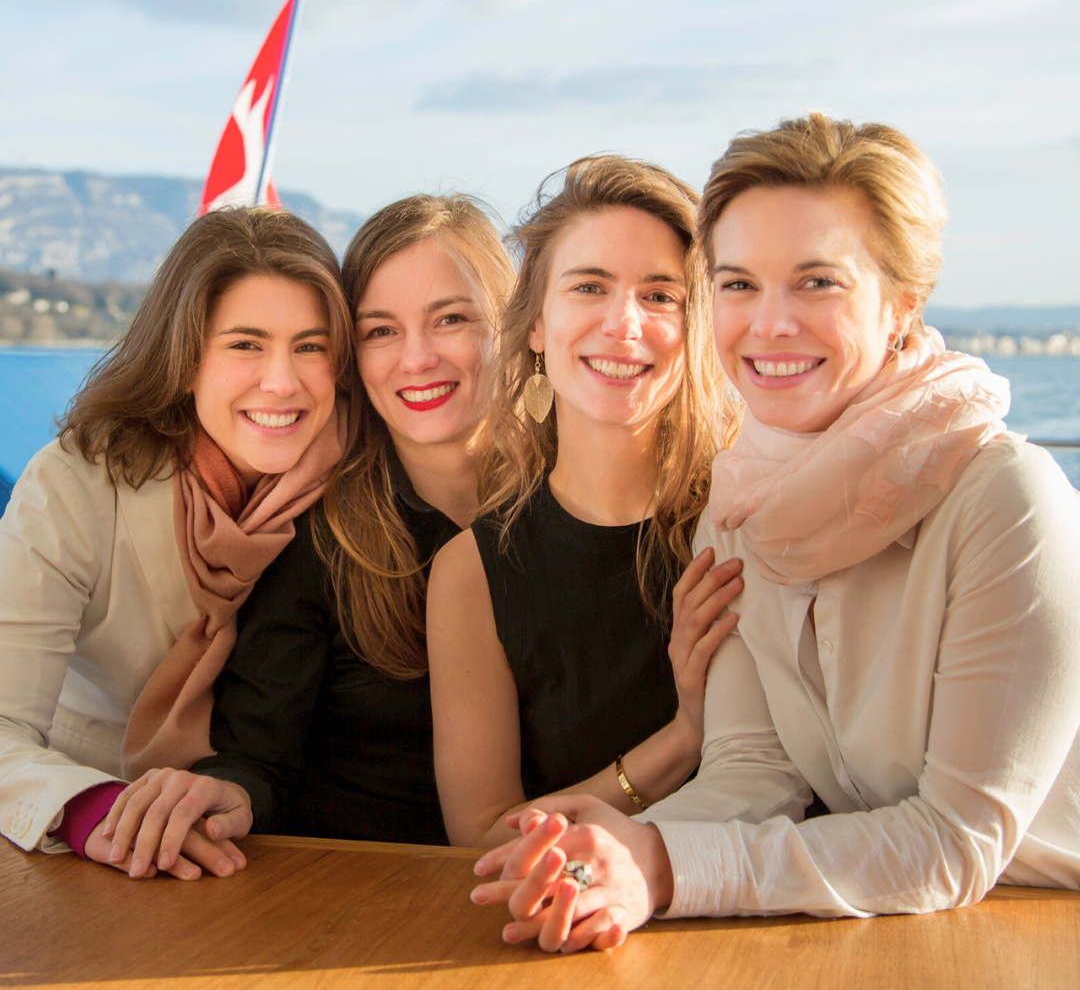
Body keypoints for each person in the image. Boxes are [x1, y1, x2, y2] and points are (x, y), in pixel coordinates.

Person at [472, 114, 1080, 951]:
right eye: (738, 284)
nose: (769, 324)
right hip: (909, 926)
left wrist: (662, 864)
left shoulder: (1006, 500)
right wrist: (605, 852)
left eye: (817, 282)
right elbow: (756, 774)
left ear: (903, 304)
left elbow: (956, 842)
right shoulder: (738, 511)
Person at [101, 194, 516, 866]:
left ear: (513, 323)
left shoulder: (569, 507)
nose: (416, 359)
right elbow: (258, 757)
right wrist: (223, 794)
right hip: (356, 898)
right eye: (381, 330)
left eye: (451, 319)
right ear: (354, 358)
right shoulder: (323, 535)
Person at [0, 207, 351, 881]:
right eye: (246, 345)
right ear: (185, 360)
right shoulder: (75, 485)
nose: (282, 381)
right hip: (98, 842)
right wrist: (90, 808)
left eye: (310, 346)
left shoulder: (356, 483)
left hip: (293, 851)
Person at [427, 156, 744, 849]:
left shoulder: (745, 524)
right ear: (536, 325)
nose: (622, 323)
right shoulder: (473, 573)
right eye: (589, 287)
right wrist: (683, 740)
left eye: (660, 295)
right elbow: (480, 839)